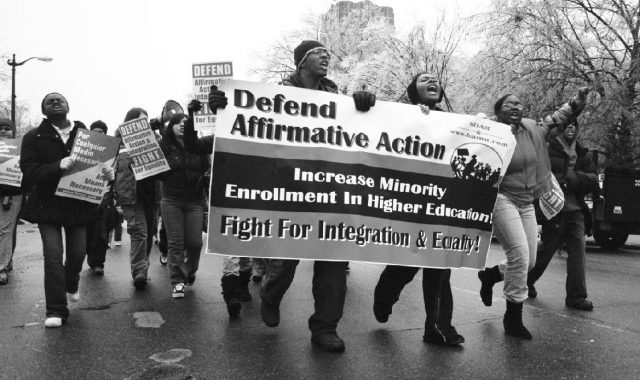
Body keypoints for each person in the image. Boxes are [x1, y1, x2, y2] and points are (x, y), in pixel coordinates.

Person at [207, 40, 375, 352]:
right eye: (318, 51)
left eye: (328, 51)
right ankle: (270, 296)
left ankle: (325, 327)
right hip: (289, 193)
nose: (326, 55)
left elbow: (365, 131)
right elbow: (248, 127)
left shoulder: (338, 99)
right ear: (301, 62)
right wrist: (223, 106)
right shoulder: (274, 96)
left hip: (330, 193)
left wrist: (363, 104)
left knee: (334, 266)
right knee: (284, 263)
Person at [477, 88, 589, 339]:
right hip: (501, 198)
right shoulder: (488, 131)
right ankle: (513, 317)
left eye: (519, 103)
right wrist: (477, 125)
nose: (516, 107)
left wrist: (575, 104)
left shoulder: (531, 130)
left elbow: (556, 119)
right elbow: (460, 138)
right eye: (509, 104)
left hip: (526, 201)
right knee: (519, 256)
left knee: (529, 262)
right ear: (498, 110)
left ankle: (490, 275)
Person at [371, 72, 464, 346]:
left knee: (440, 266)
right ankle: (385, 294)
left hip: (441, 205)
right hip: (410, 204)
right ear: (414, 91)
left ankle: (437, 327)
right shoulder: (400, 116)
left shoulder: (450, 122)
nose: (432, 81)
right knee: (406, 265)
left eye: (435, 79)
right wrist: (414, 119)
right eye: (425, 79)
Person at [20, 93, 103, 328]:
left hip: (78, 203)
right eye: (49, 101)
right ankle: (56, 309)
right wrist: (57, 166)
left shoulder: (87, 138)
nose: (55, 102)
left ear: (68, 106)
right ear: (44, 110)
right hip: (48, 205)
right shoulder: (33, 137)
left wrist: (107, 174)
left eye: (60, 100)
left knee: (78, 253)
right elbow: (30, 171)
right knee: (53, 255)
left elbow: (98, 168)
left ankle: (71, 279)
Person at [527, 120, 598, 310]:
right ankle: (525, 282)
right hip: (555, 211)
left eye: (575, 125)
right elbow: (539, 175)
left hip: (577, 211)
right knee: (546, 251)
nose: (571, 127)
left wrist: (575, 178)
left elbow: (593, 178)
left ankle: (576, 297)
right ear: (560, 128)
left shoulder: (583, 151)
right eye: (567, 124)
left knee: (578, 254)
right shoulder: (548, 149)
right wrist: (559, 181)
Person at [158, 113, 209, 298]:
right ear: (170, 126)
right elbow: (156, 174)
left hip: (195, 201)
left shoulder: (199, 146)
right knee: (176, 242)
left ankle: (190, 270)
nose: (182, 125)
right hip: (171, 200)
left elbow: (206, 173)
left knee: (195, 242)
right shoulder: (163, 147)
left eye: (186, 123)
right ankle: (178, 281)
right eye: (178, 123)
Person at [113, 108, 160, 290]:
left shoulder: (155, 140)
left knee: (149, 232)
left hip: (151, 195)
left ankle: (143, 265)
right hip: (130, 196)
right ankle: (139, 272)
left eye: (146, 121)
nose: (144, 124)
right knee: (139, 232)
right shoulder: (117, 144)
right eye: (140, 120)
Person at [85, 120, 116, 276]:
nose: (98, 134)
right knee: (87, 231)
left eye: (101, 132)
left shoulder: (111, 150)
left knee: (101, 231)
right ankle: (89, 257)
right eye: (95, 130)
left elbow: (115, 173)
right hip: (85, 196)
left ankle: (98, 263)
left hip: (104, 196)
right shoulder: (83, 150)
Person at [0, 118, 23, 285]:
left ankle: (1, 267)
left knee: (5, 230)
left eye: (7, 128)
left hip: (11, 194)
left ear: (13, 132)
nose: (2, 131)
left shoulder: (21, 148)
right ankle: (7, 260)